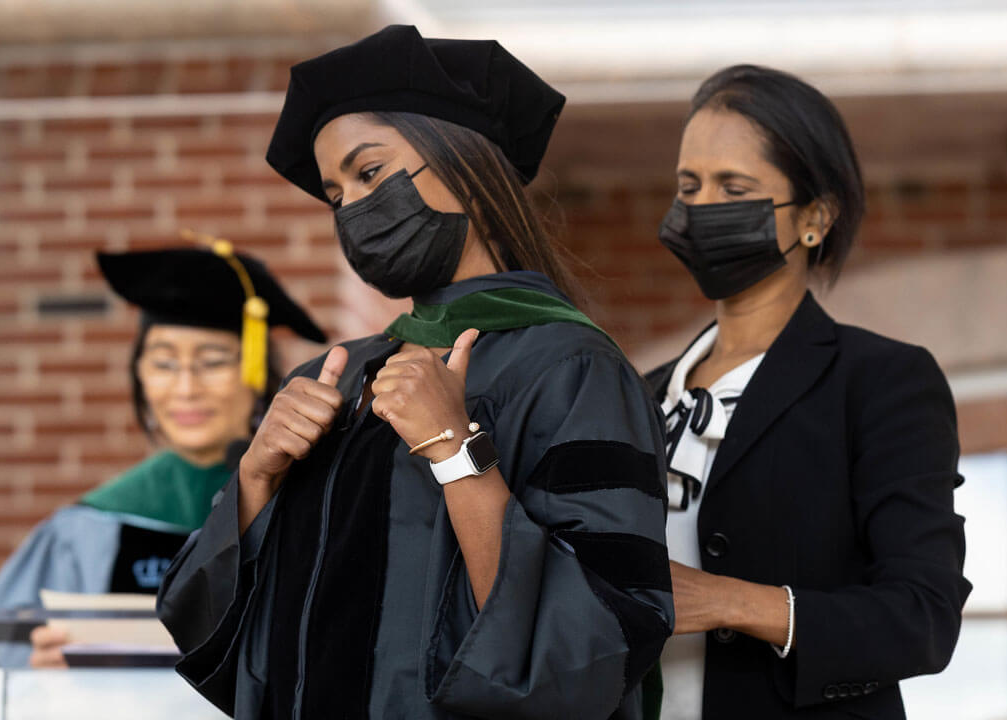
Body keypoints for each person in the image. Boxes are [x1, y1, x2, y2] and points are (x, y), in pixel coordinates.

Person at [157, 25, 673, 720]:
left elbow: (597, 642)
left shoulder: (571, 367)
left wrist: (458, 453)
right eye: (337, 196)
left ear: (464, 162)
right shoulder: (336, 379)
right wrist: (256, 479)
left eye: (369, 173)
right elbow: (214, 626)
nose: (355, 211)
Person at [645, 65, 972, 719]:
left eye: (733, 187)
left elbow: (923, 617)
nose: (701, 206)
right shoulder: (640, 393)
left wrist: (731, 601)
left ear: (817, 216)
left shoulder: (881, 382)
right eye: (689, 186)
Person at [0, 239, 326, 668]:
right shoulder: (88, 526)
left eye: (212, 362)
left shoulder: (307, 508)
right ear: (139, 374)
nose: (185, 388)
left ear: (256, 372)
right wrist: (37, 674)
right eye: (163, 363)